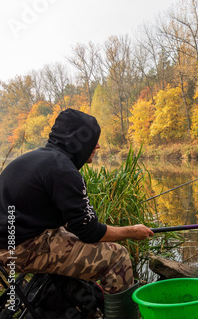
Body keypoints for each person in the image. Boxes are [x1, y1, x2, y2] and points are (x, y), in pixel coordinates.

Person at [0, 108, 153, 317]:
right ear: (78, 140)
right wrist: (132, 231)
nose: (97, 146)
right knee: (117, 256)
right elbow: (90, 232)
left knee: (73, 238)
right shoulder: (62, 168)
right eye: (93, 140)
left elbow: (73, 225)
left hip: (14, 241)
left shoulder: (35, 159)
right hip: (16, 250)